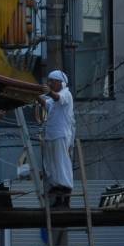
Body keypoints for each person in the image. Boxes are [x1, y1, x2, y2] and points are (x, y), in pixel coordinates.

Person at [40, 70, 75, 207]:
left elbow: (57, 98)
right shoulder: (55, 97)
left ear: (60, 82)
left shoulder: (66, 94)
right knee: (52, 164)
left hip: (61, 134)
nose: (50, 84)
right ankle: (57, 188)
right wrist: (35, 95)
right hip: (52, 134)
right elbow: (47, 104)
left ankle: (65, 194)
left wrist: (47, 92)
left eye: (52, 81)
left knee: (61, 164)